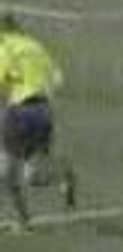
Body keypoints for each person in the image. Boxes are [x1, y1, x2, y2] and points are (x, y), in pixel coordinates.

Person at [0, 14, 76, 232]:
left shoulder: (5, 46)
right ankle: (65, 175)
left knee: (7, 174)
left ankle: (24, 222)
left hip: (20, 113)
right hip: (43, 111)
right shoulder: (36, 46)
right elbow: (57, 79)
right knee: (32, 175)